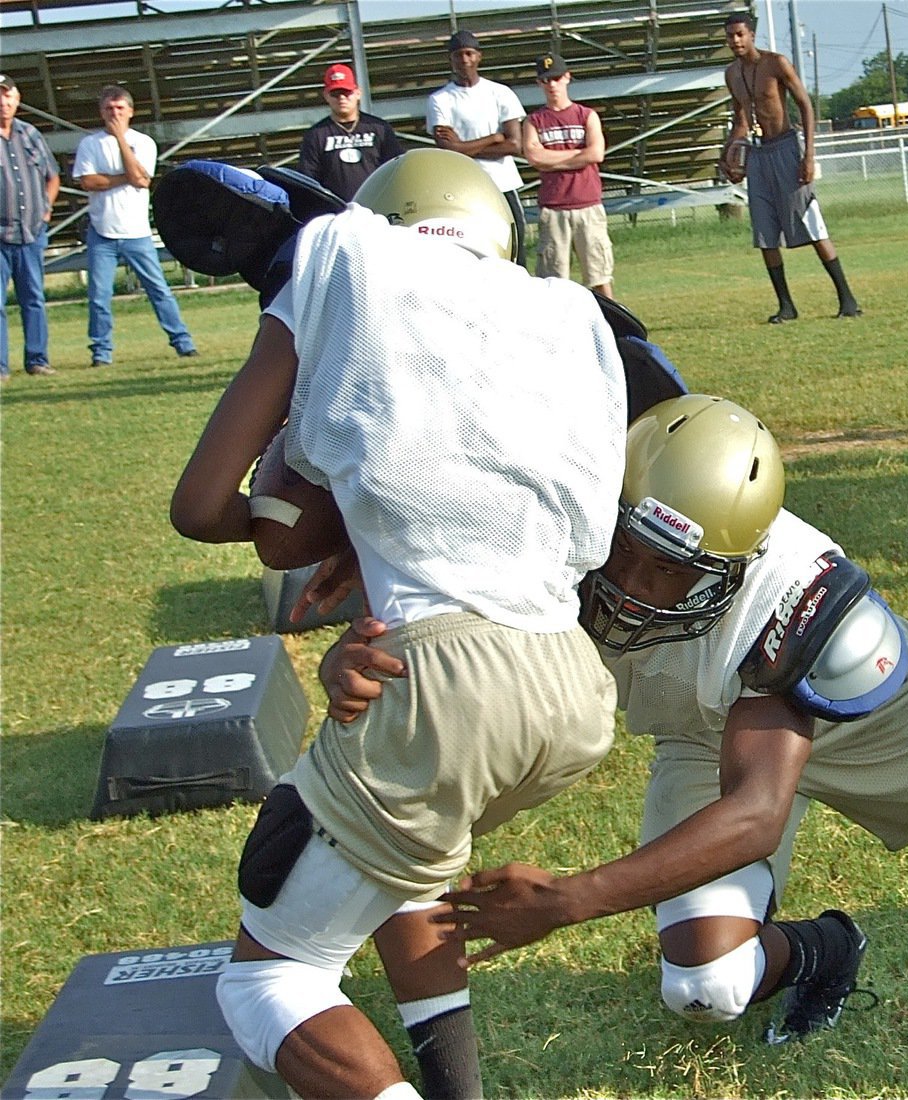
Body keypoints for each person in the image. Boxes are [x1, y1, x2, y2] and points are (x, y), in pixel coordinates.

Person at [320, 393, 908, 1053]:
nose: (633, 584)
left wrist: (568, 899)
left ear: (735, 564)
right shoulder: (563, 512)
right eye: (625, 546)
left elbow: (755, 813)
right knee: (704, 987)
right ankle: (826, 948)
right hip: (706, 730)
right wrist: (355, 646)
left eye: (673, 572)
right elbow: (437, 573)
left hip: (881, 724)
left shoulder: (797, 596)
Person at [170, 148, 626, 1100]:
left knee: (273, 975)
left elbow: (204, 505)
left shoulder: (342, 257)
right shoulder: (565, 310)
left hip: (441, 683)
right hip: (572, 684)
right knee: (406, 865)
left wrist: (292, 507)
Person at [718, 13, 861, 322]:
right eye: (730, 36)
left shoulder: (776, 63)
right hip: (757, 155)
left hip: (786, 147)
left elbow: (805, 105)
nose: (735, 41)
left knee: (810, 223)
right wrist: (728, 153)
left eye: (740, 34)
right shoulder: (731, 74)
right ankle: (786, 305)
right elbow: (740, 119)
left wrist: (808, 155)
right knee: (764, 233)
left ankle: (847, 299)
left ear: (752, 34)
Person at [72, 84, 196, 367]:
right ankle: (101, 352)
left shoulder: (143, 143)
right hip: (101, 231)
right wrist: (126, 176)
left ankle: (183, 343)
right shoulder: (89, 145)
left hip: (137, 232)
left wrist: (119, 140)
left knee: (159, 291)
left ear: (130, 111)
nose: (114, 113)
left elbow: (142, 180)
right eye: (109, 109)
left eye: (119, 108)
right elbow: (88, 182)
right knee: (99, 296)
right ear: (101, 112)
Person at [426, 30, 527, 268]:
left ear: (479, 56)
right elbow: (448, 149)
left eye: (469, 53)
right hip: (463, 188)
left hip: (503, 185)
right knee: (473, 255)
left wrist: (462, 147)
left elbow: (514, 144)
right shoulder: (440, 100)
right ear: (450, 59)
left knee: (516, 251)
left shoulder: (500, 93)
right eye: (458, 55)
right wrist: (493, 137)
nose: (464, 60)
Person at [523, 52, 614, 298]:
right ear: (539, 83)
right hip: (554, 208)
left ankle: (614, 329)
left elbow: (596, 153)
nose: (552, 85)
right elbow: (534, 157)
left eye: (556, 78)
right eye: (545, 80)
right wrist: (576, 156)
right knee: (553, 281)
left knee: (599, 276)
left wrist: (552, 159)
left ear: (567, 78)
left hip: (588, 205)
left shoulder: (586, 115)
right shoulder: (534, 121)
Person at [0, 73, 59, 380]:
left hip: (30, 234)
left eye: (7, 95)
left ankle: (38, 359)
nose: (3, 102)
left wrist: (46, 210)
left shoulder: (30, 134)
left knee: (33, 299)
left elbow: (53, 175)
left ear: (17, 99)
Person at [297, 63, 403, 202]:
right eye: (335, 93)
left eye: (346, 92)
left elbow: (396, 168)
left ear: (358, 93)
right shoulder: (316, 135)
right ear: (326, 96)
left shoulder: (379, 128)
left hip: (376, 207)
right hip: (336, 211)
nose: (341, 98)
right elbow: (308, 178)